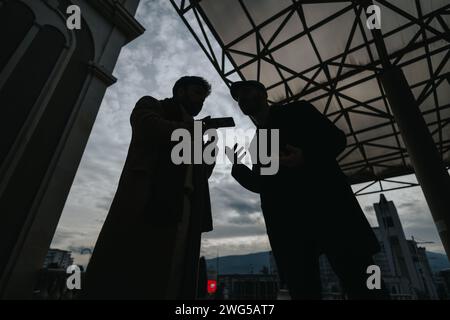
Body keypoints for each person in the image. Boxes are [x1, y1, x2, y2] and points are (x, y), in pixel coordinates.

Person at [229, 80, 388, 300]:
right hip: (291, 229)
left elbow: (337, 139)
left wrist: (306, 157)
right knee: (304, 291)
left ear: (264, 94)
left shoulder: (298, 111)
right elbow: (263, 185)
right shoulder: (259, 142)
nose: (242, 98)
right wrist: (237, 167)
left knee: (366, 285)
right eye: (237, 97)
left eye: (247, 91)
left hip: (331, 213)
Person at [83, 76, 216, 299]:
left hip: (184, 206)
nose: (200, 102)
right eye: (196, 93)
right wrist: (192, 129)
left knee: (171, 273)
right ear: (180, 91)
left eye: (203, 98)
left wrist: (209, 150)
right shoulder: (152, 105)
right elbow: (150, 128)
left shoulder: (196, 131)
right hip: (148, 197)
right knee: (132, 268)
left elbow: (202, 173)